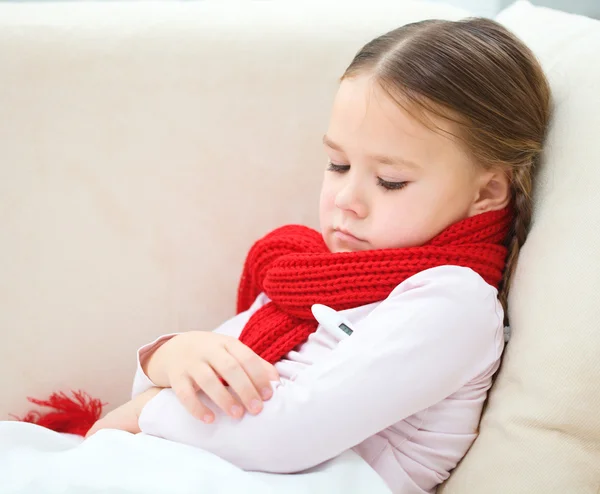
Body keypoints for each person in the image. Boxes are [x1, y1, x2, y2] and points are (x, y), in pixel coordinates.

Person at [86, 17, 551, 494]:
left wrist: (148, 412)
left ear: (488, 191)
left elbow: (286, 436)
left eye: (390, 180)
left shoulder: (454, 301)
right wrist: (169, 357)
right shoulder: (313, 278)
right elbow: (177, 387)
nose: (347, 198)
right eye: (338, 164)